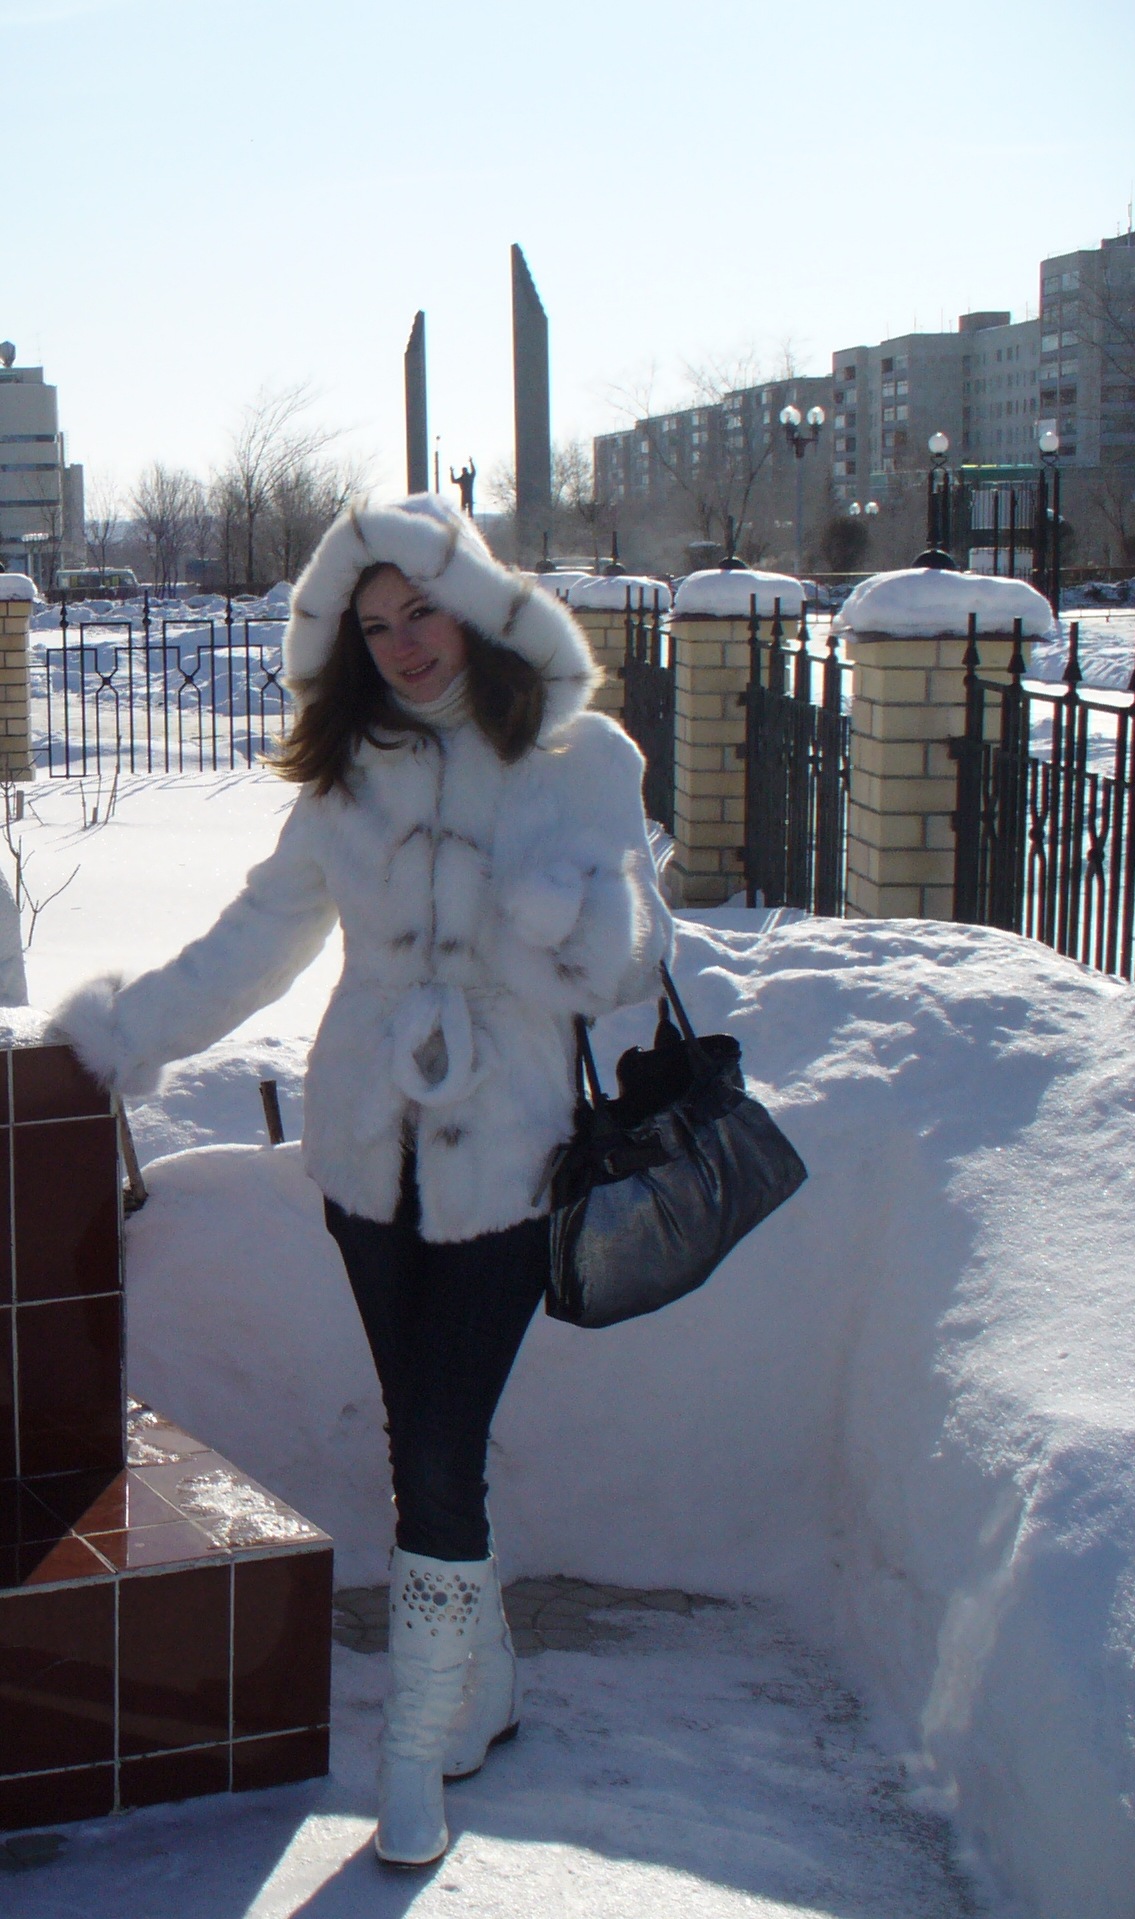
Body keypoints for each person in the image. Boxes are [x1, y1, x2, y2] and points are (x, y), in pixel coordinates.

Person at [51, 493, 672, 1870]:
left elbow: (636, 965)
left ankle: (412, 1744)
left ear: (480, 606)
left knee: (442, 1442)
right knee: (421, 1432)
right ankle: (480, 1684)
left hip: (508, 1161)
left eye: (423, 611)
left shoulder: (578, 757)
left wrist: (573, 916)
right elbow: (256, 938)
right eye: (374, 625)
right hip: (362, 1155)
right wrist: (123, 1036)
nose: (403, 645)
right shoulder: (350, 776)